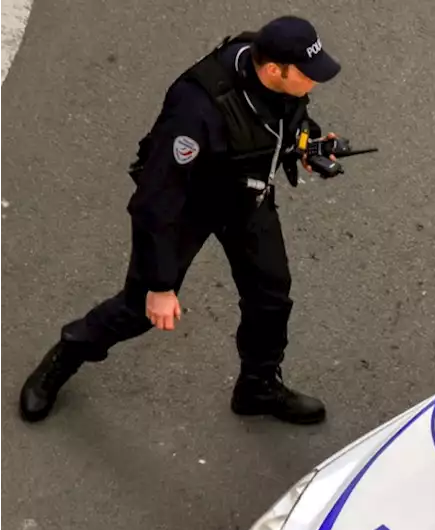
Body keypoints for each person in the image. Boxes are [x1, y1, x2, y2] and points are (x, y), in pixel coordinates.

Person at [18, 16, 345, 425]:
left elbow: (284, 116)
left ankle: (257, 386)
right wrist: (160, 286)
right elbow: (154, 203)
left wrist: (306, 143)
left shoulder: (273, 75)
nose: (315, 82)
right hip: (185, 208)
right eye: (307, 74)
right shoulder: (196, 110)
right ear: (274, 69)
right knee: (139, 309)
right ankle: (65, 355)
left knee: (271, 296)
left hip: (246, 196)